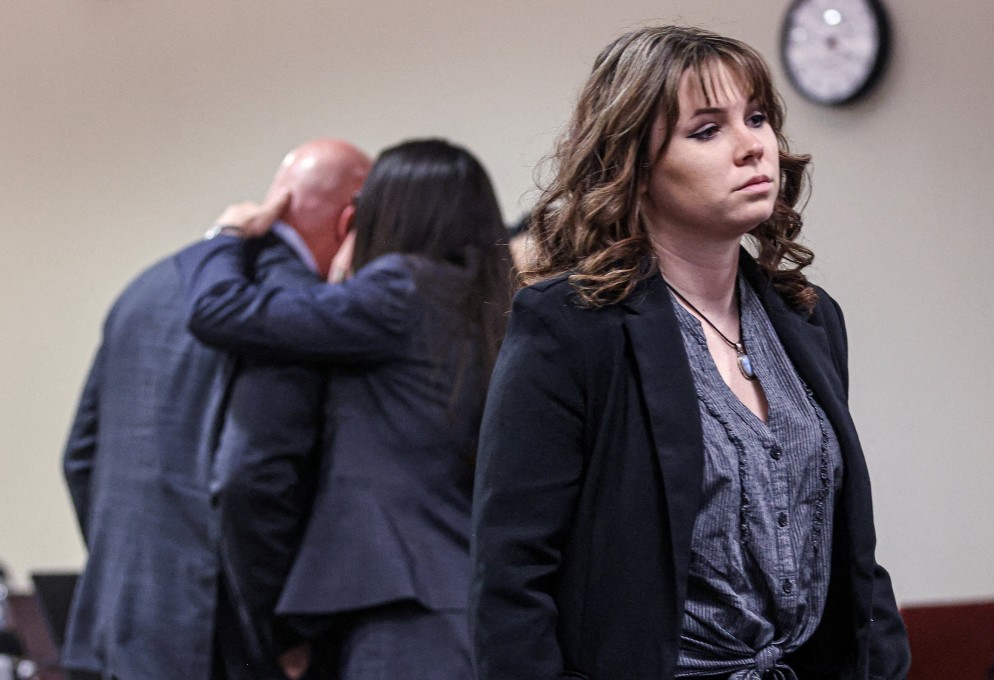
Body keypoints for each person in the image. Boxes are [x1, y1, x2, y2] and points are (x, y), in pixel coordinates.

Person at [470, 25, 910, 680]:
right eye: (707, 130)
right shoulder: (571, 326)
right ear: (635, 167)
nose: (752, 146)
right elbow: (511, 580)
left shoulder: (808, 318)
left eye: (756, 118)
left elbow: (851, 551)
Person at [178, 138, 512, 680]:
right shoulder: (484, 297)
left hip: (404, 607)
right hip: (459, 594)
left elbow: (222, 311)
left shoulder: (400, 286)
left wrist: (228, 235)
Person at [61, 138, 369, 680]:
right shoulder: (292, 309)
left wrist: (133, 575)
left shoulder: (149, 285)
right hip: (218, 645)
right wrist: (282, 634)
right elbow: (249, 480)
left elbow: (78, 457)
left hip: (117, 630)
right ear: (351, 219)